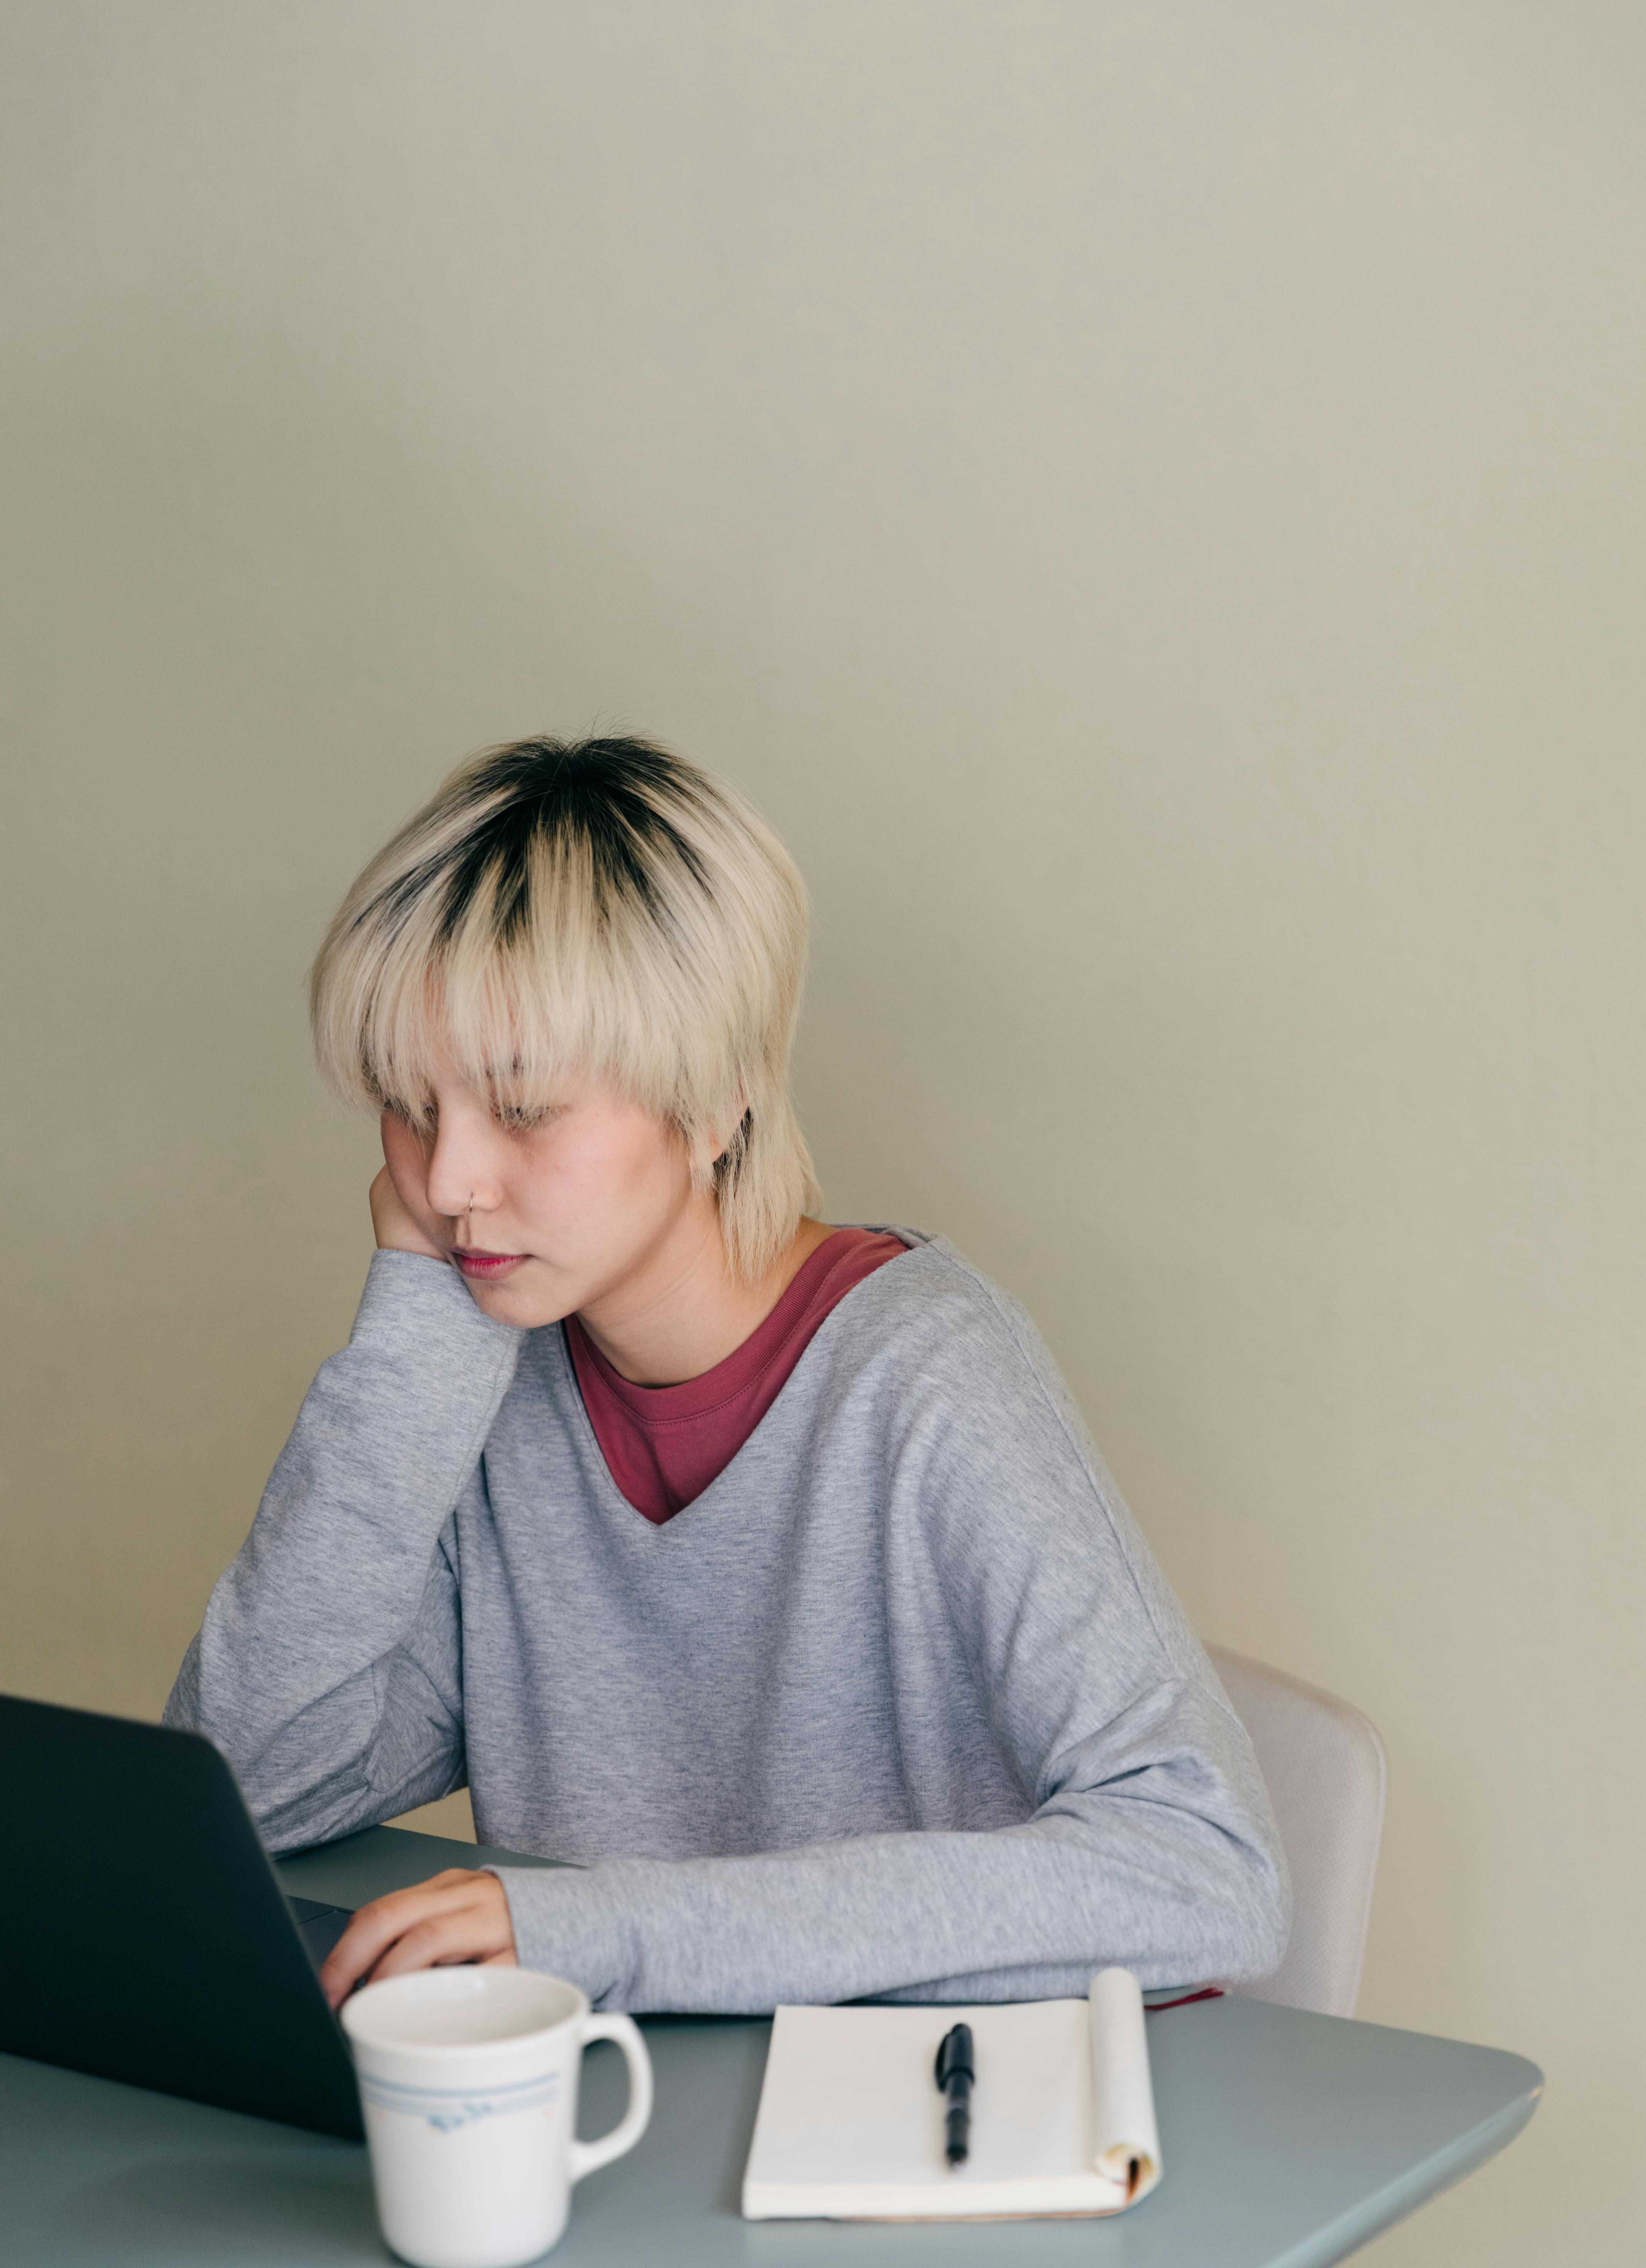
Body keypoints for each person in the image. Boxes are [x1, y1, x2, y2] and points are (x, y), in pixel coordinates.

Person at [166, 731, 1288, 2034]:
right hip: (636, 2134)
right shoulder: (483, 1373)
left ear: (714, 1105)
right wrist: (417, 1329)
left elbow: (1211, 1872)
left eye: (522, 1111)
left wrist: (598, 1934)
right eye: (412, 1110)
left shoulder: (923, 1372)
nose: (452, 1182)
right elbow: (254, 1787)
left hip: (930, 2141)